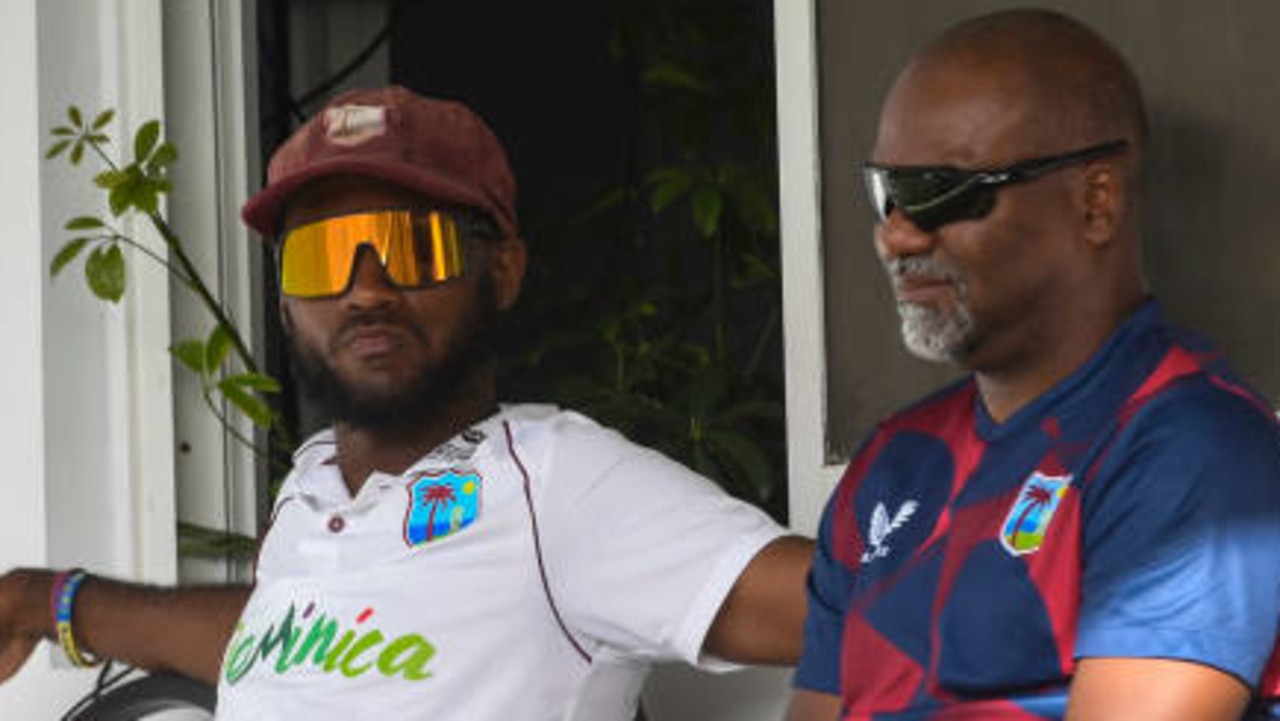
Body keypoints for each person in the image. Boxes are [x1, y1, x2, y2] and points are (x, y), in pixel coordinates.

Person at [0, 85, 811, 720]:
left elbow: (858, 609)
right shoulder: (312, 490)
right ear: (285, 304)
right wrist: (51, 601)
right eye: (319, 258)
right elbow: (295, 638)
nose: (366, 290)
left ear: (503, 270)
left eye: (409, 246)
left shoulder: (556, 482)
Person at [787, 9, 1280, 721]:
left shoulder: (1193, 452)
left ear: (1096, 203)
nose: (896, 232)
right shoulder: (895, 460)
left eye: (946, 190)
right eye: (888, 191)